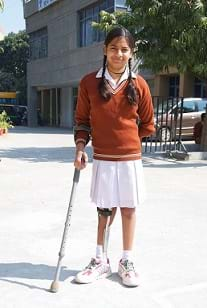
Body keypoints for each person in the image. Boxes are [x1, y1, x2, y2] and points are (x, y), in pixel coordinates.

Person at [74, 26, 155, 287]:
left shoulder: (140, 84)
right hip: (103, 159)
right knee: (104, 211)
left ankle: (126, 261)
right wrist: (80, 147)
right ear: (104, 50)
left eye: (124, 49)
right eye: (113, 48)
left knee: (129, 209)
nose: (119, 54)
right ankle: (100, 259)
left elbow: (149, 124)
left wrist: (128, 142)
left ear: (131, 52)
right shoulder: (88, 82)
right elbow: (82, 121)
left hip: (130, 160)